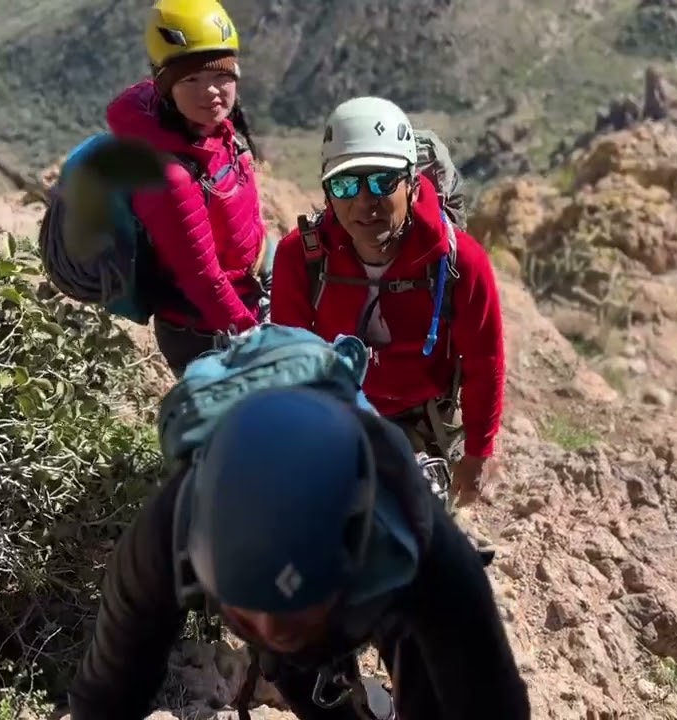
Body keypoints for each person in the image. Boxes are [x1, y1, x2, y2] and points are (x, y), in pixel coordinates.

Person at [67, 385, 531, 720]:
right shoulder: (163, 543)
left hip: (379, 573)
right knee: (295, 673)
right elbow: (105, 698)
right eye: (252, 611)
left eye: (291, 608)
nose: (271, 626)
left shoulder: (417, 548)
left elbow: (493, 703)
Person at [270, 96, 505, 508]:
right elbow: (292, 363)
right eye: (345, 185)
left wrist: (478, 453)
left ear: (413, 185)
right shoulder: (301, 259)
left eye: (382, 181)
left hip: (426, 418)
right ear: (327, 193)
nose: (364, 201)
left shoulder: (459, 262)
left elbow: (484, 361)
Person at [106, 0, 269, 376]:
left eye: (221, 76)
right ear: (167, 90)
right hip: (206, 334)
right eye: (190, 80)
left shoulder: (212, 133)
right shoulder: (170, 176)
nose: (210, 92)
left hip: (242, 301)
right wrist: (251, 332)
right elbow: (201, 277)